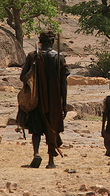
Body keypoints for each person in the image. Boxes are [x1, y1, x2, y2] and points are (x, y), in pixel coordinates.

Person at [20, 31, 69, 169]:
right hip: (54, 100)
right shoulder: (59, 57)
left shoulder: (32, 56)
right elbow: (64, 83)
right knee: (52, 129)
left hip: (36, 99)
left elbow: (23, 77)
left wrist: (33, 66)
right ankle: (51, 162)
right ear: (52, 42)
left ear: (40, 41)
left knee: (36, 130)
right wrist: (64, 104)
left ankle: (36, 153)